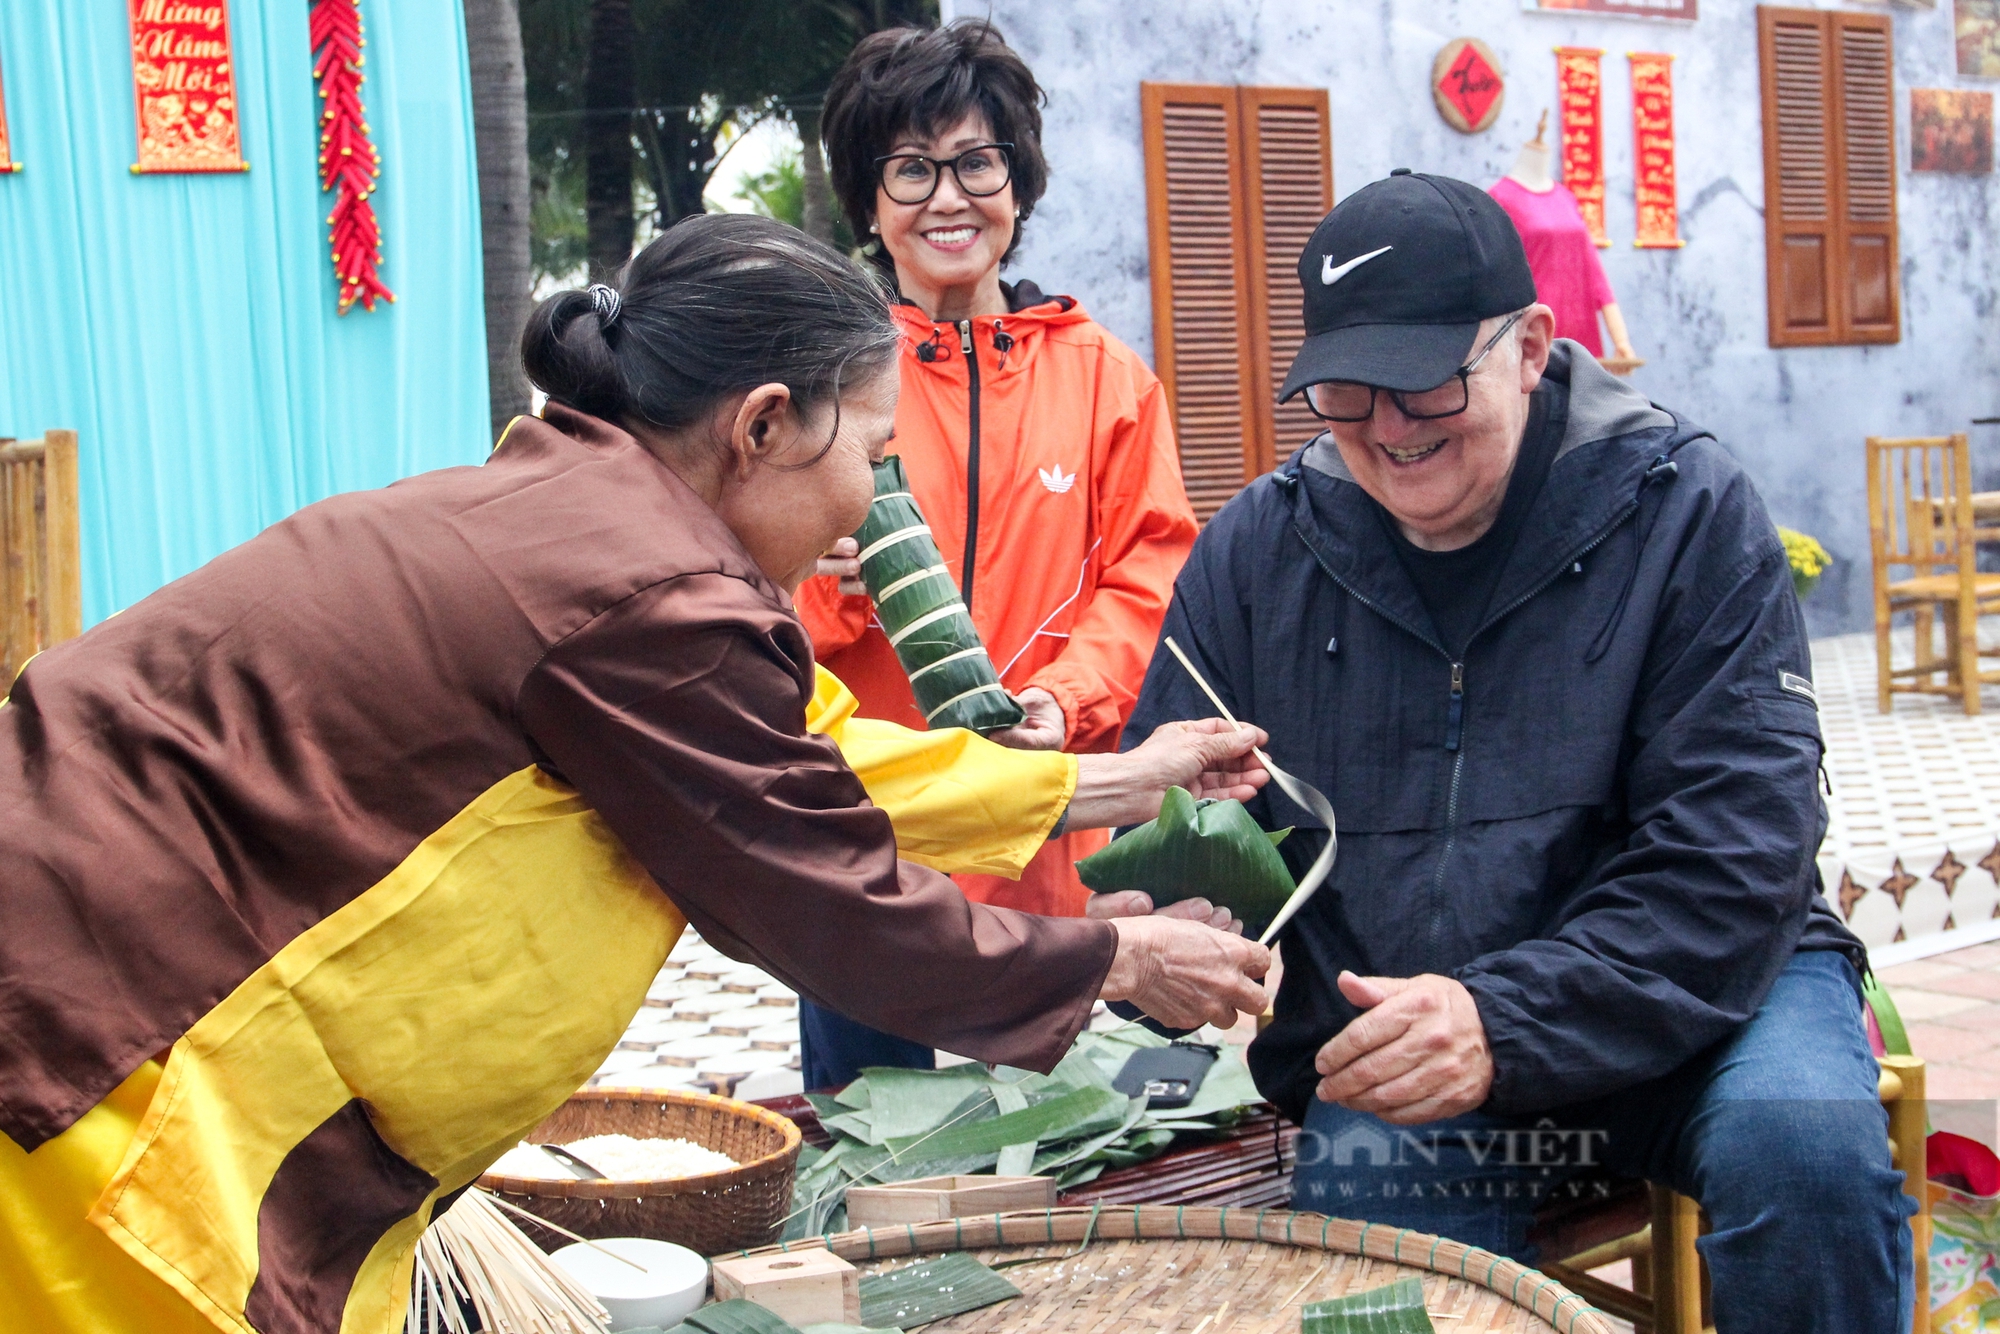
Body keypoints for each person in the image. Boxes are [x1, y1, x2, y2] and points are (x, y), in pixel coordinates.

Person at [0, 214, 1271, 1334]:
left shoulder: (583, 511)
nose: (871, 505)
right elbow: (825, 898)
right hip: (102, 1051)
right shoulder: (653, 592)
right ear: (763, 424)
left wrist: (1108, 781)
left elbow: (801, 765)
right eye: (871, 456)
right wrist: (1120, 959)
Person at [1123, 171, 1911, 1332]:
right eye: (1346, 392)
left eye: (1427, 382)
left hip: (1706, 991)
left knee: (1804, 1152)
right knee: (1378, 1212)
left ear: (1531, 345)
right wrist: (1174, 921)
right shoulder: (1257, 552)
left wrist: (1500, 1015)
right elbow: (1183, 820)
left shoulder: (1683, 509)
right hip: (1401, 1004)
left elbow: (1735, 859)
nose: (1388, 431)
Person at [794, 19, 1200, 1087]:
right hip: (876, 865)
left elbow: (1149, 573)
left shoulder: (1106, 378)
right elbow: (744, 605)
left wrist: (1064, 699)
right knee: (879, 1169)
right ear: (868, 198)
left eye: (975, 162)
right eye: (910, 167)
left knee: (1064, 1176)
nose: (946, 197)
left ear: (1015, 183)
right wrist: (820, 582)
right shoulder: (819, 382)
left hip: (1056, 847)